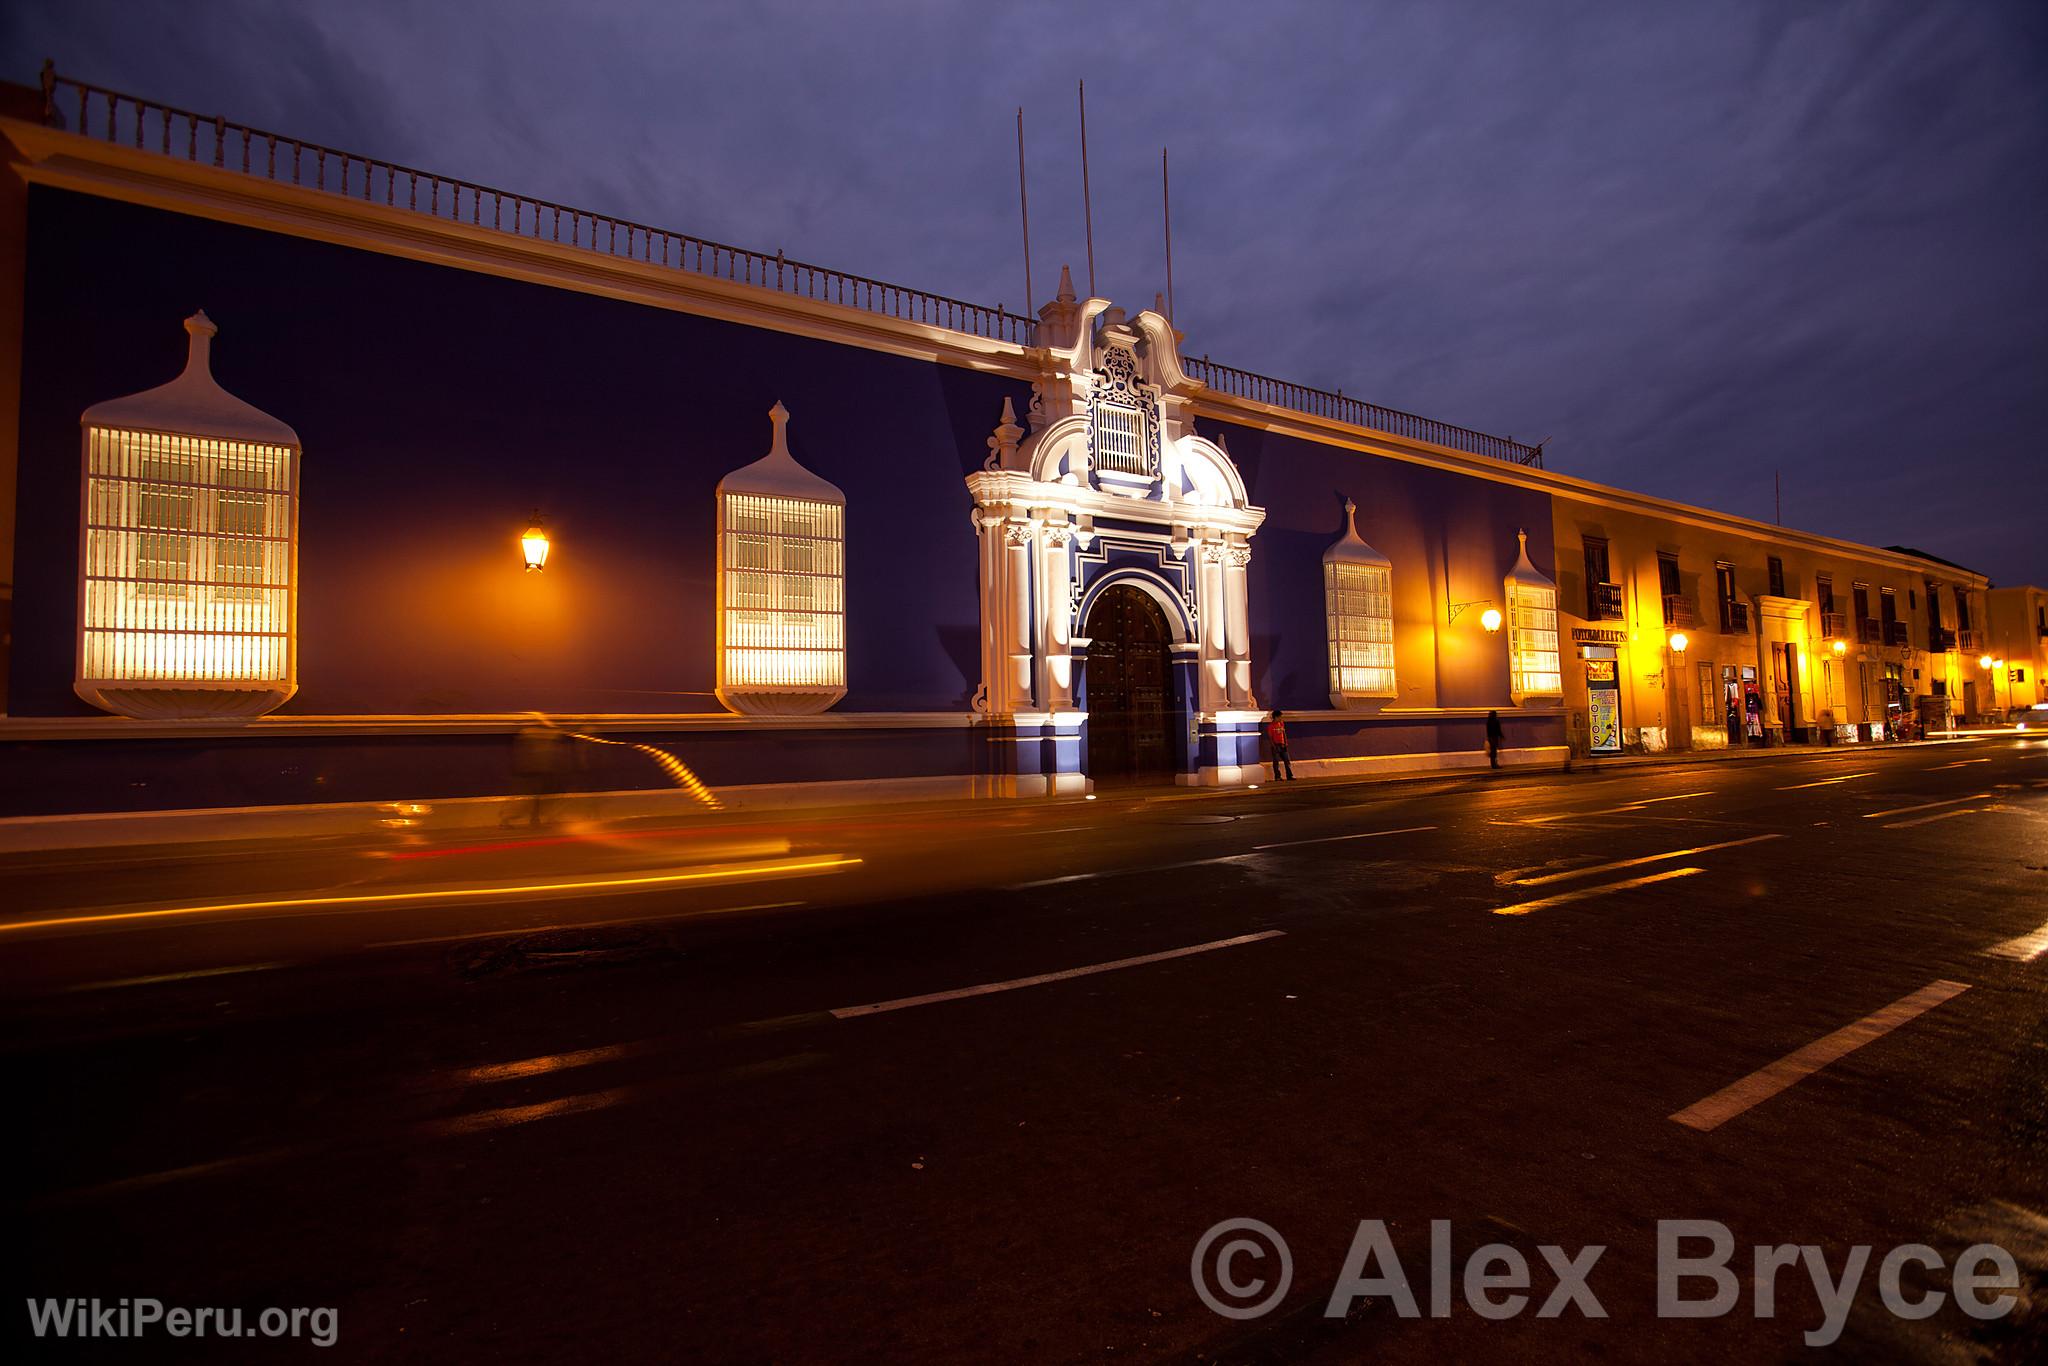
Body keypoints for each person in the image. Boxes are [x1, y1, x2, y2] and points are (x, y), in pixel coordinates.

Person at [1265, 708, 1294, 781]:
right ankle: (1277, 777)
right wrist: (1273, 746)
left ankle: (1289, 776)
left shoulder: (1281, 723)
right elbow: (1270, 737)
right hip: (1276, 745)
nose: (1281, 718)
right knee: (1276, 762)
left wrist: (1285, 742)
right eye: (1280, 717)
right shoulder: (1271, 726)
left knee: (1287, 761)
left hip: (1282, 744)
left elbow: (1284, 733)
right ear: (1275, 717)